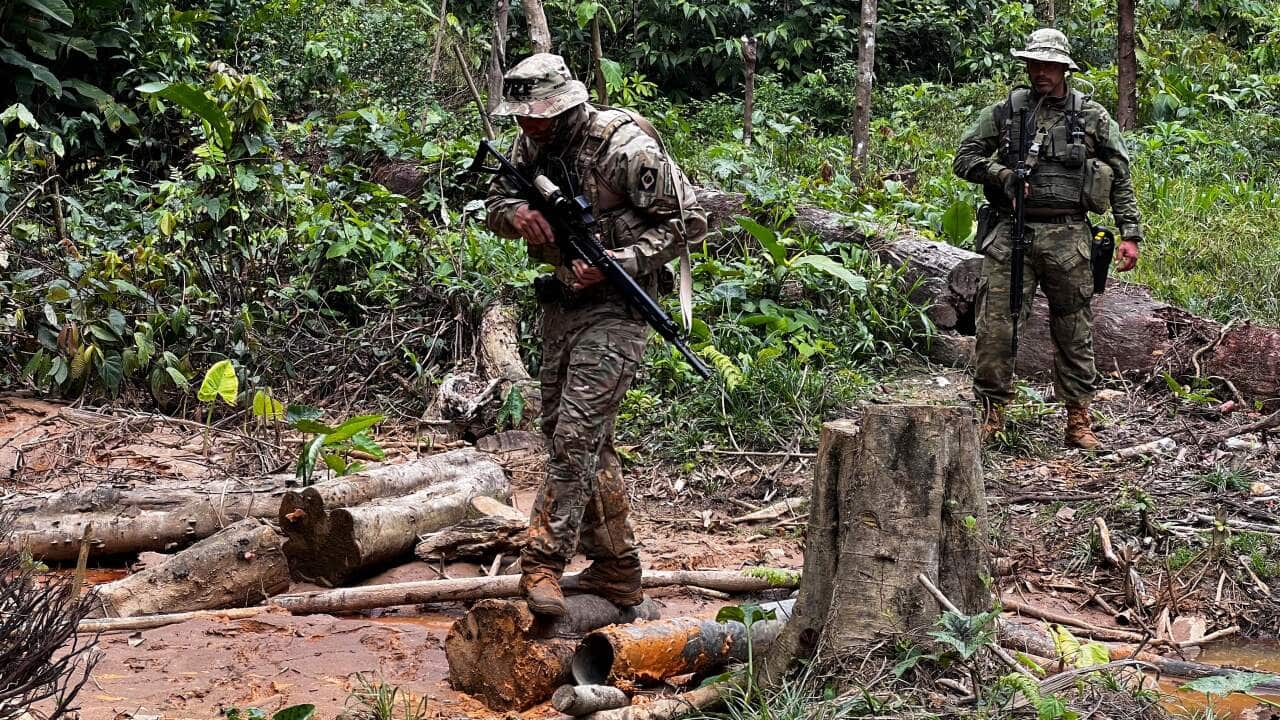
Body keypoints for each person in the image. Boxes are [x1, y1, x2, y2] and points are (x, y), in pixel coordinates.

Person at [484, 54, 708, 616]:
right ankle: (617, 569)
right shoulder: (528, 144)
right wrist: (515, 215)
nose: (525, 127)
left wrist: (620, 261)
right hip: (564, 301)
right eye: (520, 118)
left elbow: (691, 222)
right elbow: (495, 199)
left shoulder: (626, 148)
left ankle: (541, 564)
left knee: (575, 439)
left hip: (619, 308)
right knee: (581, 438)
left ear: (564, 107)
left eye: (535, 116)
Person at [953, 28, 1144, 450]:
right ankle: (991, 413)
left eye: (1049, 65)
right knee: (996, 327)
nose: (1040, 72)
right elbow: (964, 158)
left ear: (1064, 69)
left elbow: (1121, 179)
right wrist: (1000, 174)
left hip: (1069, 235)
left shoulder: (1092, 117)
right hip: (1010, 233)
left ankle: (1079, 419)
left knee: (1074, 329)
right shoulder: (1006, 111)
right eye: (1034, 64)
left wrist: (1130, 233)